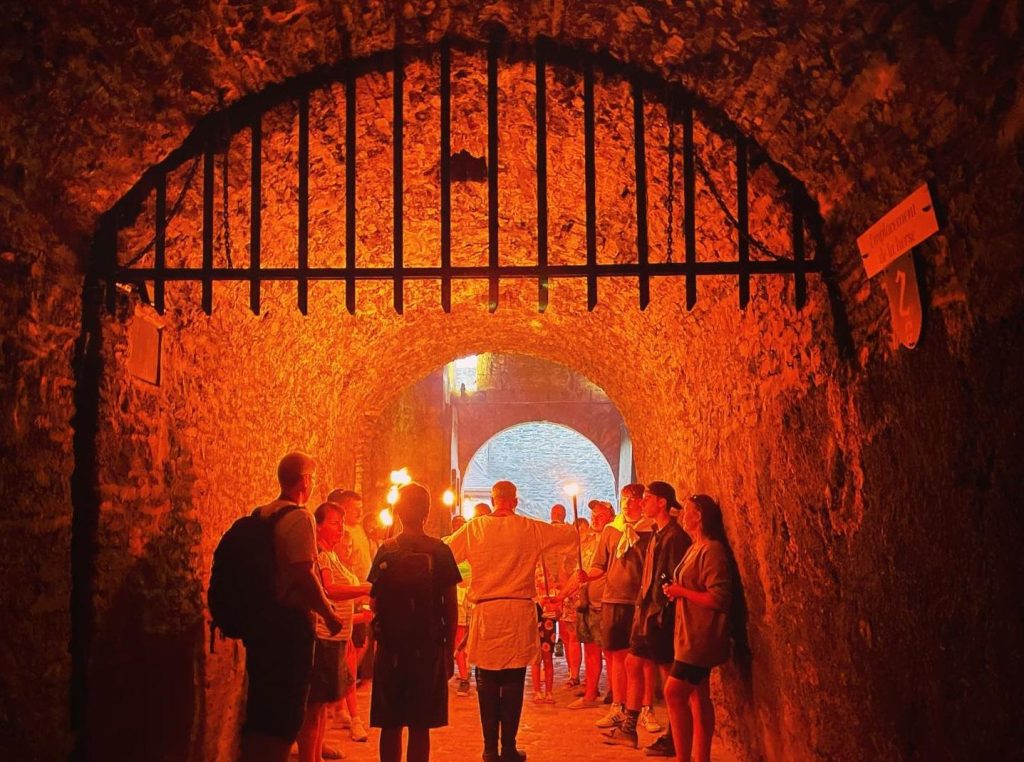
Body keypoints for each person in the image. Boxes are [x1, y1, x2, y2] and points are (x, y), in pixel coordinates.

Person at [446, 480, 577, 762]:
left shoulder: (475, 528)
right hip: (518, 611)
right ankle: (507, 748)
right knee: (514, 679)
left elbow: (445, 553)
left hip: (487, 612)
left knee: (487, 680)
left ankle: (489, 748)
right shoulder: (529, 528)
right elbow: (569, 536)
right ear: (514, 501)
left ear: (494, 500)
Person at [241, 452, 344, 762]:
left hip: (261, 618)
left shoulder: (263, 513)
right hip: (288, 622)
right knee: (289, 706)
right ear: (304, 481)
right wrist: (328, 613)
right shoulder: (300, 517)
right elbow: (304, 572)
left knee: (263, 701)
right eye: (311, 478)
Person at [369, 482, 462, 762]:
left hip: (391, 648)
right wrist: (448, 652)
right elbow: (451, 606)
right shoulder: (440, 550)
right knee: (420, 725)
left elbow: (374, 600)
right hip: (428, 645)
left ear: (397, 511)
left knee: (391, 723)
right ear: (427, 512)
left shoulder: (386, 549)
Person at [611, 482, 691, 754]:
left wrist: (660, 612)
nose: (642, 503)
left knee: (669, 674)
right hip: (646, 613)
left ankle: (674, 736)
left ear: (661, 502)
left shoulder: (675, 536)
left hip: (659, 616)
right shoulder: (657, 534)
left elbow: (671, 577)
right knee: (633, 662)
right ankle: (629, 728)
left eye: (647, 499)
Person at [575, 484, 652, 738]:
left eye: (633, 500)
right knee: (615, 655)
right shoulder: (612, 531)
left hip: (639, 602)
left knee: (643, 658)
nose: (628, 504)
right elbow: (601, 565)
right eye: (625, 500)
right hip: (613, 599)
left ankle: (645, 708)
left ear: (643, 502)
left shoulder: (650, 530)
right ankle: (618, 706)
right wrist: (587, 576)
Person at [297, 504, 373, 762]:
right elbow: (329, 589)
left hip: (337, 638)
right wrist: (367, 588)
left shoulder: (332, 555)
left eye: (342, 523)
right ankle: (310, 756)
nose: (340, 528)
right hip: (324, 636)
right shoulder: (320, 554)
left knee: (322, 706)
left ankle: (317, 754)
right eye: (333, 522)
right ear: (317, 526)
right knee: (315, 705)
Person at [662, 495, 734, 762]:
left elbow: (718, 597)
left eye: (688, 511)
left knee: (673, 692)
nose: (682, 515)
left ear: (699, 516)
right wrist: (675, 591)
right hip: (688, 634)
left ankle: (683, 758)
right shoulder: (695, 547)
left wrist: (681, 591)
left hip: (700, 638)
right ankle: (701, 758)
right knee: (698, 697)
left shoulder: (711, 550)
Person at [562, 500, 613, 709]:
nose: (595, 518)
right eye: (593, 514)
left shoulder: (614, 538)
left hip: (606, 602)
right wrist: (562, 595)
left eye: (600, 514)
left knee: (610, 652)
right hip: (586, 602)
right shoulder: (587, 542)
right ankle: (590, 693)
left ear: (610, 516)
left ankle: (616, 695)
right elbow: (578, 573)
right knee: (590, 649)